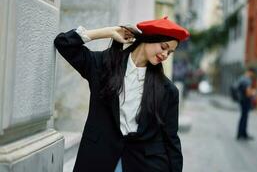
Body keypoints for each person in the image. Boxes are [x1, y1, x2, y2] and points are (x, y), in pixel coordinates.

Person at [54, 16, 190, 172]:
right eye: (164, 46)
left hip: (145, 164)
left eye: (170, 52)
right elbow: (63, 43)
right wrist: (109, 32)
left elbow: (171, 140)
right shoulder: (104, 65)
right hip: (98, 156)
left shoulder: (168, 90)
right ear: (150, 38)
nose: (165, 55)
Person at [236, 67, 256, 141]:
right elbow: (248, 93)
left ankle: (241, 134)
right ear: (250, 72)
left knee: (243, 117)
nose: (252, 75)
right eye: (252, 73)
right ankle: (242, 134)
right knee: (244, 117)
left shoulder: (241, 78)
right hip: (245, 100)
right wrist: (253, 93)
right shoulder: (247, 80)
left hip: (241, 100)